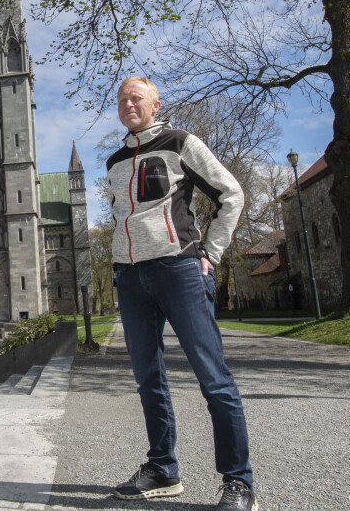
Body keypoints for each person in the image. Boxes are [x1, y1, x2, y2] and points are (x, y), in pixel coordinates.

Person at [106, 77, 257, 511]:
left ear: (155, 103)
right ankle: (162, 470)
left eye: (136, 98)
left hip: (179, 269)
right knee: (148, 380)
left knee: (214, 379)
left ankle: (239, 482)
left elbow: (232, 194)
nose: (128, 104)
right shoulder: (115, 160)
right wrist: (120, 266)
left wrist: (210, 252)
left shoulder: (179, 142)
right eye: (122, 100)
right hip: (131, 278)